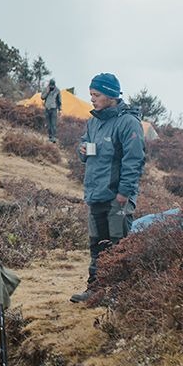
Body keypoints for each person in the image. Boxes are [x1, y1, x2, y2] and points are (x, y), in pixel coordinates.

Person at [70, 73, 146, 304]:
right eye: (91, 94)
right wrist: (82, 150)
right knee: (97, 245)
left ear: (111, 95)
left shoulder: (128, 122)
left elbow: (134, 160)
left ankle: (119, 293)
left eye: (96, 94)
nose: (92, 99)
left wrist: (124, 193)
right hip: (95, 194)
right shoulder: (93, 121)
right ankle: (95, 290)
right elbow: (84, 144)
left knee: (118, 245)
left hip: (117, 197)